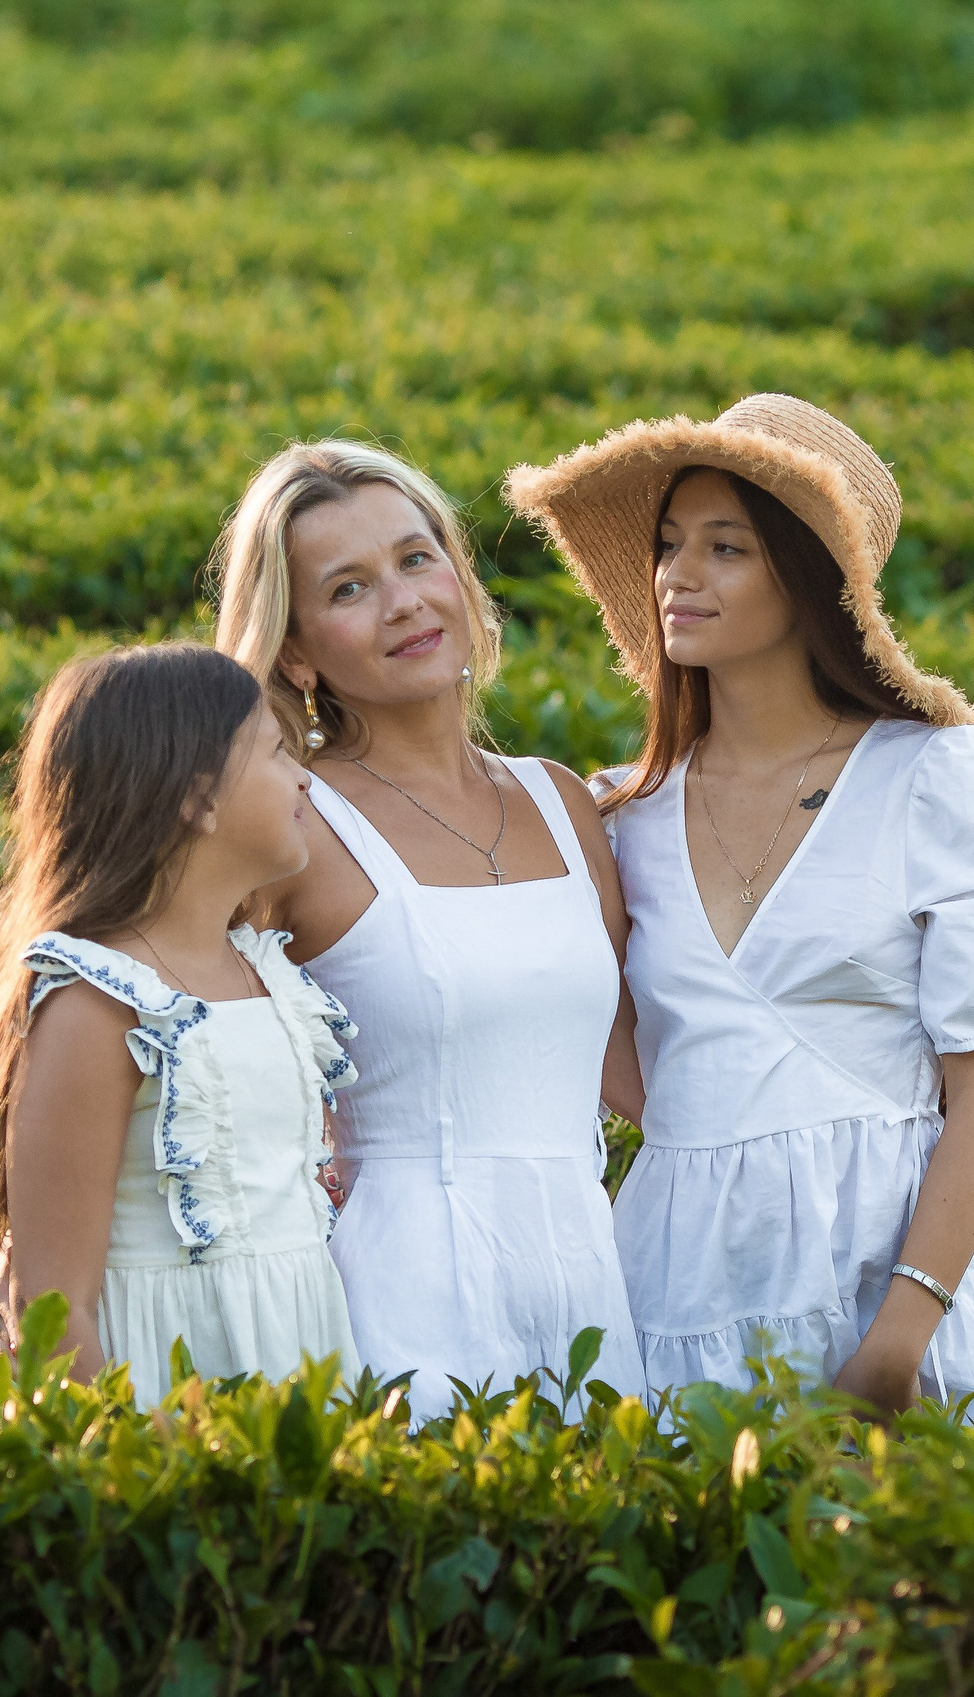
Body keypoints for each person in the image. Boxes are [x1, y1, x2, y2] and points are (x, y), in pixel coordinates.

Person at [504, 394, 974, 1421]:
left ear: (808, 578)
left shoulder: (933, 772)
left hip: (882, 1286)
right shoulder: (622, 814)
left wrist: (903, 1331)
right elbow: (622, 1061)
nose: (678, 574)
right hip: (671, 1281)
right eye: (669, 544)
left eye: (727, 548)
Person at [211, 438, 648, 1420]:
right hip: (395, 1302)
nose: (404, 601)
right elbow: (194, 1062)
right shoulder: (290, 824)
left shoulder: (563, 802)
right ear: (295, 649)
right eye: (349, 588)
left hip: (591, 1281)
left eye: (417, 558)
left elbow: (642, 1077)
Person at [0, 642, 363, 1409]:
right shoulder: (99, 1002)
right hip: (162, 1386)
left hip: (298, 1355)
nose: (304, 776)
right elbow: (51, 1307)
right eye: (276, 752)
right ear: (197, 798)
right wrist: (142, 1445)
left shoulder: (262, 969)